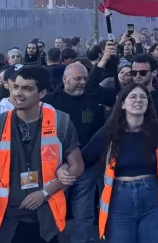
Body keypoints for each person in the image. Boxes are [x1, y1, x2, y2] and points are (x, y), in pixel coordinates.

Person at [0, 65, 84, 243]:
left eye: (27, 88)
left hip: (47, 217)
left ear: (42, 93)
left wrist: (45, 192)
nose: (18, 93)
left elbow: (77, 166)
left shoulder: (60, 121)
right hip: (5, 217)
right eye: (16, 87)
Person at [83, 82, 158, 242]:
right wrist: (65, 169)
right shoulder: (109, 131)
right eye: (133, 97)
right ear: (122, 104)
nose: (139, 100)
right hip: (119, 201)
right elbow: (85, 159)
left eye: (143, 97)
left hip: (153, 199)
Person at [42, 62, 106, 243]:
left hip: (86, 166)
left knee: (84, 212)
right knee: (56, 211)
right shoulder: (49, 102)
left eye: (85, 78)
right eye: (78, 78)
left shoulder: (93, 101)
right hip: (56, 169)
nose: (82, 82)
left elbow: (99, 133)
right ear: (65, 78)